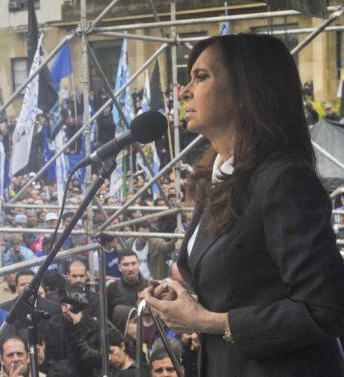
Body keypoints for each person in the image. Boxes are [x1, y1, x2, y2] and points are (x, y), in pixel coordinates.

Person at [143, 34, 344, 376]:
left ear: (244, 92)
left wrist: (208, 321)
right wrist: (184, 297)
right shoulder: (220, 176)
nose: (183, 91)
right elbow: (243, 281)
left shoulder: (284, 182)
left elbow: (325, 308)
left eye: (201, 77)